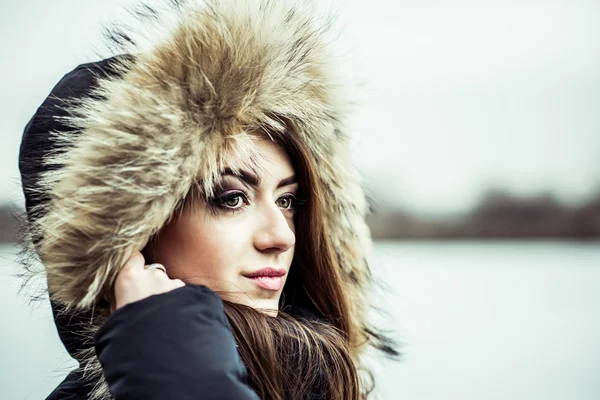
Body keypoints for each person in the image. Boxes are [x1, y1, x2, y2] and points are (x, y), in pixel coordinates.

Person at [18, 0, 398, 399]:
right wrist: (172, 370)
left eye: (288, 202)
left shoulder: (322, 377)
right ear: (130, 235)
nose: (281, 237)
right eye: (232, 199)